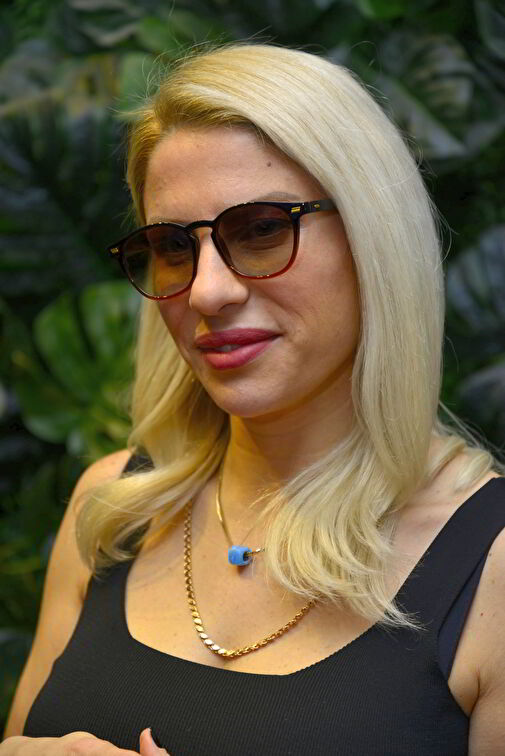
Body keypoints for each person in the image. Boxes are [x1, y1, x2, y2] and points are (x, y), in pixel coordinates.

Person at [2, 43, 505, 756]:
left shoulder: (490, 564)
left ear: (375, 238)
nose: (207, 291)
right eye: (174, 246)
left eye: (263, 229)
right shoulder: (115, 509)